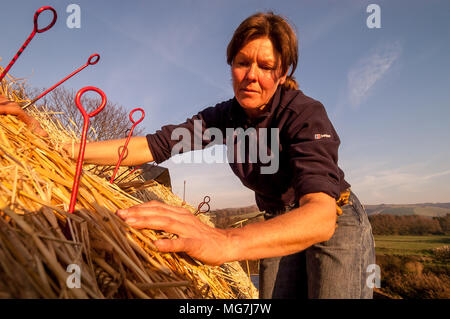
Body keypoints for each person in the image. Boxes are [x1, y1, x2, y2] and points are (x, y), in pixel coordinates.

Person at [4, 12, 376, 299]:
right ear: (231, 64)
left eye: (266, 67)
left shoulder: (304, 114)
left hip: (334, 220)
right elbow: (151, 147)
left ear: (282, 74)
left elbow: (321, 216)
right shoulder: (224, 117)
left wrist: (225, 241)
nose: (251, 75)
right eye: (242, 62)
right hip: (279, 217)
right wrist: (62, 148)